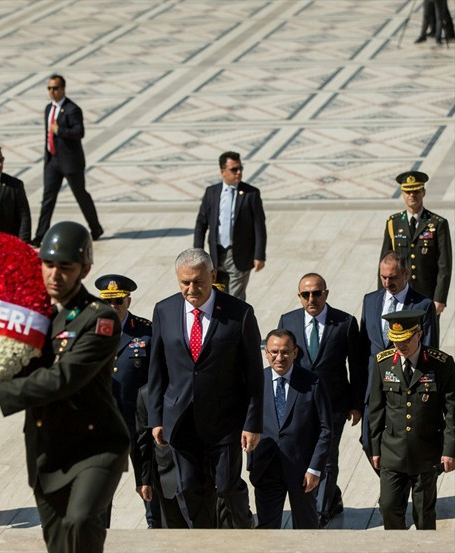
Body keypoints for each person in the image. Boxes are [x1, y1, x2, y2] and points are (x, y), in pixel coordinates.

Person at [0, 221, 128, 553]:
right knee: (59, 544)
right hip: (47, 448)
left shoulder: (100, 318)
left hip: (95, 446)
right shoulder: (33, 315)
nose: (55, 275)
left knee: (80, 522)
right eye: (48, 265)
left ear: (84, 269)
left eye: (66, 267)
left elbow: (64, 377)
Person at [148, 248, 263, 529]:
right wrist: (156, 418)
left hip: (225, 420)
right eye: (184, 282)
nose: (191, 289)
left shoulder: (239, 313)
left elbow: (253, 374)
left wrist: (252, 424)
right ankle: (204, 539)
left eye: (198, 281)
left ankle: (244, 529)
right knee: (188, 487)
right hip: (181, 419)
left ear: (212, 275)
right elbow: (157, 369)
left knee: (226, 486)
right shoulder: (164, 310)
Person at [277, 273, 365, 527]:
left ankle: (319, 512)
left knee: (327, 457)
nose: (311, 299)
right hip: (300, 404)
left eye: (316, 293)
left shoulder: (345, 323)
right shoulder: (288, 321)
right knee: (305, 455)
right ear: (299, 296)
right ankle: (332, 496)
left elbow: (357, 366)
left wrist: (356, 404)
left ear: (326, 294)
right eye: (305, 294)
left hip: (334, 403)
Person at [368, 310, 454, 530]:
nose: (400, 345)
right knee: (388, 507)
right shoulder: (382, 363)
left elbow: (452, 411)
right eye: (396, 340)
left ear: (419, 334)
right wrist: (374, 449)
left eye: (406, 340)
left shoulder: (441, 363)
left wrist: (449, 450)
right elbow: (376, 410)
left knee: (424, 515)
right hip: (392, 452)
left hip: (426, 452)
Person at [359, 251, 438, 465]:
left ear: (406, 274)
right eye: (383, 277)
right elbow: (363, 349)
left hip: (405, 388)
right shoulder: (370, 301)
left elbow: (429, 348)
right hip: (374, 388)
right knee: (368, 442)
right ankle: (390, 478)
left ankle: (394, 482)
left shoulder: (423, 305)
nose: (387, 283)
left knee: (405, 445)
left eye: (392, 277)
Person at [249, 329, 332, 529]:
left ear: (295, 353)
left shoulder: (312, 383)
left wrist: (315, 468)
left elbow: (325, 430)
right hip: (266, 468)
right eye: (274, 352)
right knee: (267, 529)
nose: (280, 357)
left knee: (306, 528)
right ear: (266, 353)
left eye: (285, 352)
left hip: (302, 471)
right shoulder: (254, 382)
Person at [94, 274, 153, 526]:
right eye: (107, 302)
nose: (113, 306)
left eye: (118, 301)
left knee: (149, 487)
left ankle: (156, 530)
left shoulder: (146, 331)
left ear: (128, 301)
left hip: (140, 424)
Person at [31, 75, 103, 247]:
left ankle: (96, 228)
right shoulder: (49, 108)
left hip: (70, 162)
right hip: (52, 161)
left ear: (63, 89)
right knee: (48, 198)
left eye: (55, 88)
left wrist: (59, 130)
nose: (52, 91)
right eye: (49, 88)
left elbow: (79, 132)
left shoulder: (72, 109)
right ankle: (40, 234)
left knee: (81, 195)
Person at [193, 151, 266, 301]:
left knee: (235, 298)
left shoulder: (251, 194)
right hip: (216, 254)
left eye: (240, 168)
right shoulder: (212, 192)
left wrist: (259, 255)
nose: (239, 172)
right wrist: (198, 253)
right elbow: (201, 224)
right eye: (234, 169)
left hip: (239, 254)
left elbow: (259, 226)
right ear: (223, 171)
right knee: (217, 294)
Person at [379, 171, 451, 317]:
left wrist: (440, 298)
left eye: (416, 191)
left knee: (427, 331)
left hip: (426, 295)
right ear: (402, 194)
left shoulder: (437, 223)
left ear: (423, 192)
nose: (412, 195)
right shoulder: (393, 223)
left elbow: (444, 265)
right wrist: (381, 295)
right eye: (408, 192)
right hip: (399, 293)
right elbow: (384, 262)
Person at [135, 384, 188, 529]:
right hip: (166, 479)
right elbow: (143, 442)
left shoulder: (191, 385)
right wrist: (144, 480)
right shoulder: (145, 394)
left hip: (199, 476)